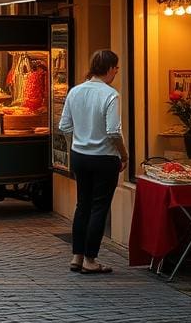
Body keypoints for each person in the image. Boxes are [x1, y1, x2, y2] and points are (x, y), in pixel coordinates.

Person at [58, 49, 128, 275]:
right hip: (104, 157)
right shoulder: (110, 95)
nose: (116, 72)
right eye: (116, 68)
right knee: (99, 207)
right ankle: (90, 259)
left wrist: (76, 144)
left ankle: (76, 256)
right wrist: (124, 155)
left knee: (82, 205)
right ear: (109, 68)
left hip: (80, 156)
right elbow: (113, 132)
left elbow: (64, 126)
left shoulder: (75, 91)